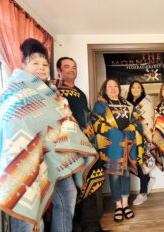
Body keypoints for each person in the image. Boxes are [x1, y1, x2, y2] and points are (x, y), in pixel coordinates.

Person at [0, 38, 97, 232]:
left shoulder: (52, 93)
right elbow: (10, 126)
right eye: (35, 63)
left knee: (68, 196)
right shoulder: (13, 93)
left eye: (44, 64)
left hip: (54, 157)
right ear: (23, 64)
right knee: (28, 212)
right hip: (23, 161)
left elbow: (65, 122)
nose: (41, 68)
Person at [53, 57, 105, 232]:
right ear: (59, 70)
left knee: (89, 180)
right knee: (70, 188)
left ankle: (91, 225)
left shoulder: (80, 92)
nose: (72, 70)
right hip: (66, 146)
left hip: (87, 145)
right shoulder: (52, 89)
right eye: (67, 67)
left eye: (74, 67)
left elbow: (86, 118)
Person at [91, 79, 141, 223]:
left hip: (127, 144)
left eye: (115, 86)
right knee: (114, 176)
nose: (113, 89)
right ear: (105, 89)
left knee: (125, 174)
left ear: (119, 89)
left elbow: (135, 121)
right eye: (109, 87)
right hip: (111, 146)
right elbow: (96, 122)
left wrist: (130, 129)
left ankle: (125, 204)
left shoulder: (126, 104)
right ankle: (118, 205)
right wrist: (115, 133)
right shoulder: (101, 105)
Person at [126, 81, 157, 206]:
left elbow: (150, 119)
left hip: (144, 138)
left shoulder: (147, 102)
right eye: (133, 87)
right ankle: (148, 179)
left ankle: (143, 192)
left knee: (141, 164)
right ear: (130, 89)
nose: (136, 89)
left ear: (142, 89)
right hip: (130, 138)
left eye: (138, 87)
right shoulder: (126, 103)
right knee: (130, 163)